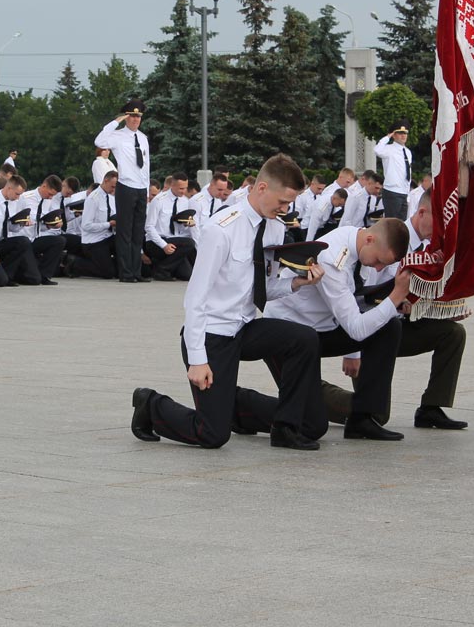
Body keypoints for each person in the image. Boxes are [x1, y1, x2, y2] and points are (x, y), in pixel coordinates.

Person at [130, 154, 327, 450]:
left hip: (244, 328)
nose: (286, 209)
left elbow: (263, 289)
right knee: (212, 435)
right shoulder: (220, 229)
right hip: (213, 336)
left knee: (304, 339)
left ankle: (285, 427)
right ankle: (151, 405)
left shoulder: (273, 226)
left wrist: (297, 282)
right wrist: (198, 359)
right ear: (262, 188)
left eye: (290, 204)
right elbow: (195, 298)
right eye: (283, 202)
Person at [324, 190, 472, 430]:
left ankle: (431, 407)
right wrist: (353, 354)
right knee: (376, 415)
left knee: (453, 333)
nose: (443, 231)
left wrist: (440, 310)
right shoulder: (385, 241)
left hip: (395, 325)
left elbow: (410, 299)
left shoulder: (428, 248)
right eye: (441, 222)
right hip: (369, 332)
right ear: (422, 212)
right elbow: (358, 299)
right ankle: (304, 393)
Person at [265, 218, 412, 440]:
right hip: (289, 337)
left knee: (389, 327)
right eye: (380, 261)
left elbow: (354, 303)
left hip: (319, 331)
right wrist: (395, 297)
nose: (380, 268)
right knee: (311, 423)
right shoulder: (333, 259)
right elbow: (356, 329)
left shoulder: (359, 244)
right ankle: (235, 405)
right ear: (370, 239)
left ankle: (362, 419)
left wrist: (395, 306)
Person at [94, 99, 151, 282]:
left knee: (137, 231)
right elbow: (99, 140)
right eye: (132, 116)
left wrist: (148, 189)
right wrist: (115, 121)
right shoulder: (117, 135)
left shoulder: (143, 138)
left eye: (138, 116)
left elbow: (146, 165)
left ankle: (136, 271)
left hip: (141, 188)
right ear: (127, 117)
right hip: (126, 186)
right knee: (125, 231)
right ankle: (125, 272)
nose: (135, 120)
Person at [10, 175, 67, 285]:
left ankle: (45, 275)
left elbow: (40, 224)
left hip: (35, 238)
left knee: (60, 240)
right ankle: (23, 273)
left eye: (53, 196)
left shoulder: (47, 200)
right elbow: (12, 221)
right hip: (23, 241)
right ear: (44, 186)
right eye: (50, 194)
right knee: (33, 279)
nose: (51, 197)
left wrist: (51, 226)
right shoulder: (24, 198)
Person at [144, 172, 197, 281]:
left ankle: (162, 267)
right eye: (181, 188)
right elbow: (149, 227)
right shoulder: (159, 200)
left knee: (187, 275)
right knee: (189, 243)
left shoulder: (184, 201)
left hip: (174, 242)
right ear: (172, 185)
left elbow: (181, 227)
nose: (183, 191)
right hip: (156, 242)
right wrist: (164, 245)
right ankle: (162, 269)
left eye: (185, 188)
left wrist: (188, 224)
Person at [69, 170, 119, 279]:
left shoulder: (111, 198)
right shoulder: (93, 198)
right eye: (112, 186)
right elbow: (86, 225)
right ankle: (75, 264)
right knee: (108, 273)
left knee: (123, 243)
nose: (113, 190)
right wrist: (108, 224)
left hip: (108, 237)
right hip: (94, 241)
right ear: (105, 181)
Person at [374, 120, 414, 218]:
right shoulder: (388, 149)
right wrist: (387, 137)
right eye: (400, 133)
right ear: (394, 135)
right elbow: (377, 150)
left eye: (405, 133)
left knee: (401, 225)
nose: (403, 136)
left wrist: (407, 193)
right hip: (392, 191)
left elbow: (408, 172)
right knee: (392, 224)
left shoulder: (408, 152)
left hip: (404, 192)